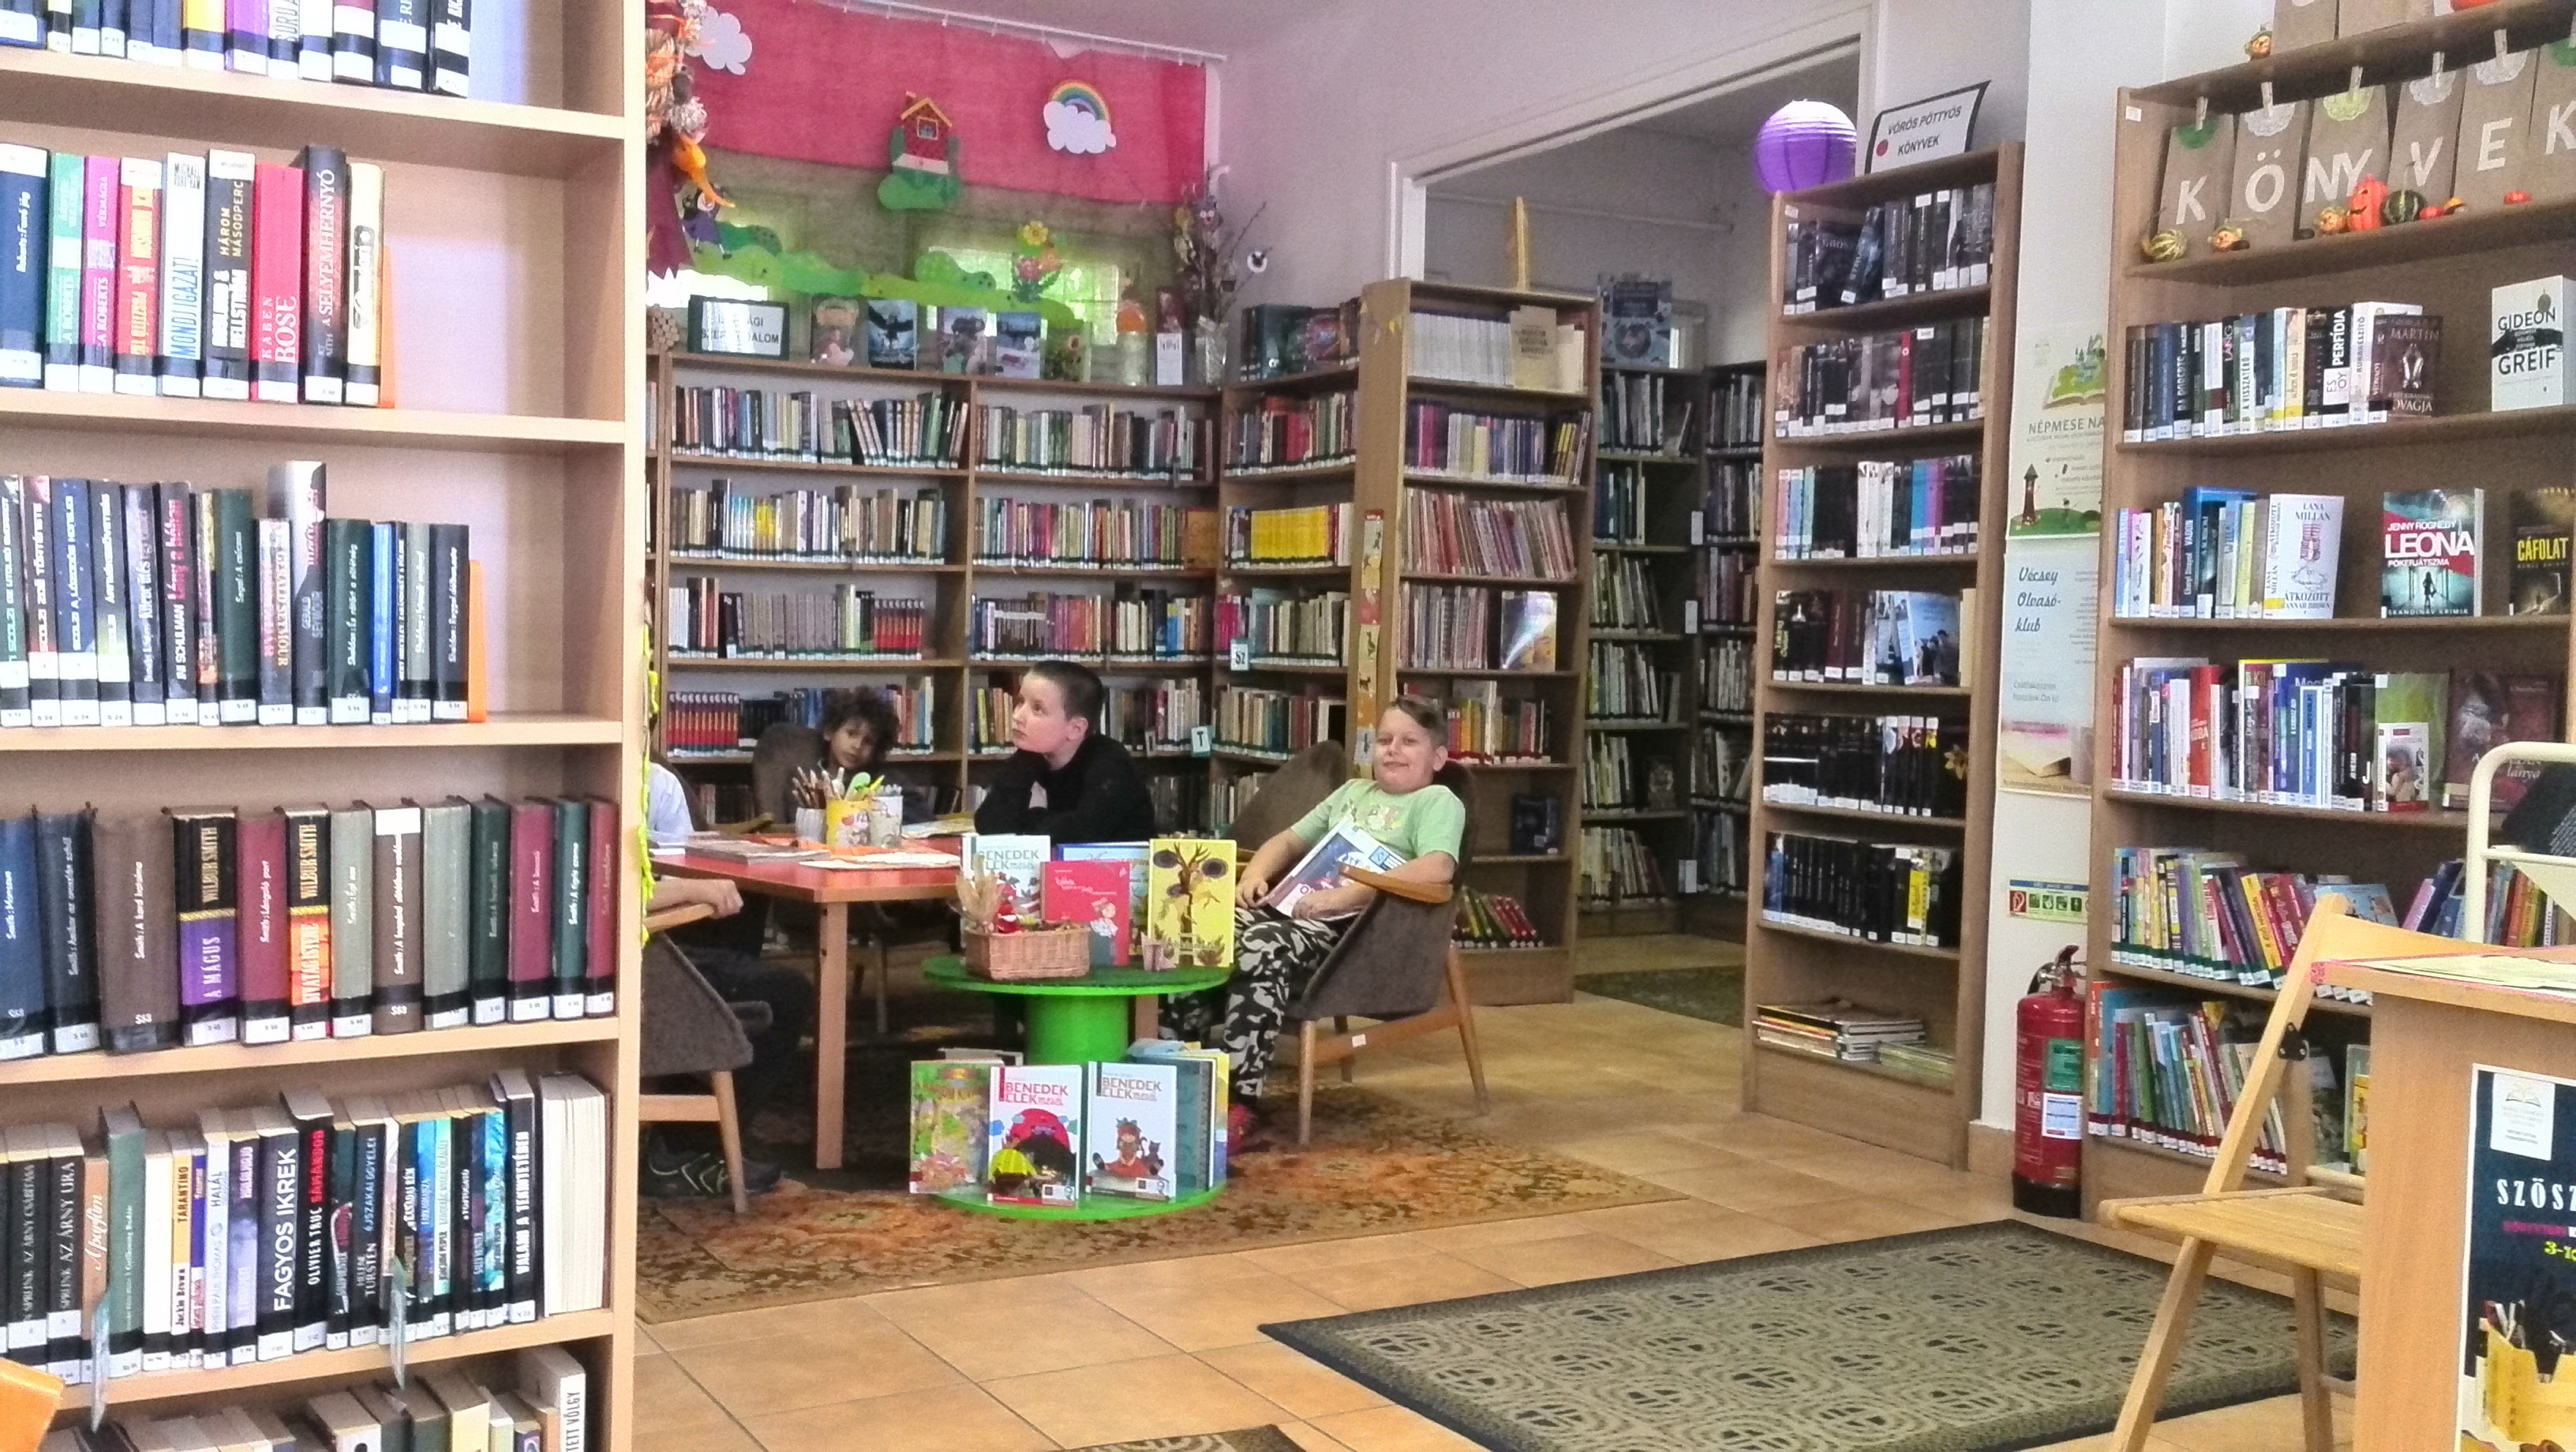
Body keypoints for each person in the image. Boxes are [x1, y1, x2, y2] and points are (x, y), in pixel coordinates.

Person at [1161, 698, 1463, 1148]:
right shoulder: (1353, 793)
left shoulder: (1436, 801)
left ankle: (1238, 1102)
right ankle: (1178, 1075)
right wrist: (1256, 874)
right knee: (1195, 930)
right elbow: (1286, 840)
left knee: (1260, 946)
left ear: (1437, 758)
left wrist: (1348, 894)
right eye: (1384, 740)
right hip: (1293, 914)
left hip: (1355, 935)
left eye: (1409, 742)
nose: (1393, 750)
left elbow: (1438, 867)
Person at [641, 758, 816, 1199]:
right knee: (786, 995)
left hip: (655, 944)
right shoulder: (630, 781)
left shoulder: (648, 781)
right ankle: (684, 1149)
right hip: (642, 954)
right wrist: (694, 890)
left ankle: (688, 1137)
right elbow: (611, 890)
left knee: (745, 950)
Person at [973, 660, 1157, 844]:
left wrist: (1029, 819)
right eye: (1021, 701)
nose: (1017, 716)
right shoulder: (1030, 756)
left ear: (1076, 729)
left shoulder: (1111, 762)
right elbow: (990, 826)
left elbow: (1084, 832)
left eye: (1037, 709)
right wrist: (1022, 763)